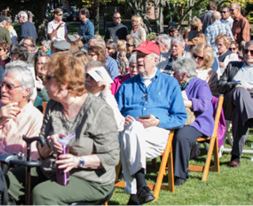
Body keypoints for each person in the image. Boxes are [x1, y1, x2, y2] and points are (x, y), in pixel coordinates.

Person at [7, 53, 119, 205]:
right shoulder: (53, 105)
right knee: (9, 180)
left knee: (43, 194)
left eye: (47, 78)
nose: (43, 83)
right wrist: (50, 144)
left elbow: (111, 157)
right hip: (52, 170)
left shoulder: (98, 110)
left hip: (90, 178)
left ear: (64, 83)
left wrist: (77, 161)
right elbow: (41, 150)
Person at [115, 41, 187, 205]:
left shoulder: (170, 83)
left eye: (143, 56)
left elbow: (181, 117)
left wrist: (159, 121)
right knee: (132, 130)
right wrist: (121, 119)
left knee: (129, 139)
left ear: (155, 60)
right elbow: (112, 114)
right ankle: (141, 188)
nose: (139, 60)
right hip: (127, 133)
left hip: (155, 135)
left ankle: (135, 193)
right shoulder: (126, 85)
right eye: (138, 56)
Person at [171, 57, 213, 186]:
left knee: (181, 136)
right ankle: (169, 166)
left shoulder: (201, 85)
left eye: (175, 73)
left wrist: (186, 103)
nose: (173, 75)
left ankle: (179, 175)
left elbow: (204, 104)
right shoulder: (177, 84)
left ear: (184, 75)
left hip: (199, 122)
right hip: (180, 119)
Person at [217, 41, 253, 168]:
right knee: (239, 90)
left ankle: (235, 157)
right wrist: (236, 85)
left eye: (252, 52)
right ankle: (250, 118)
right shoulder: (233, 66)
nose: (248, 54)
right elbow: (220, 86)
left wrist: (249, 90)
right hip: (229, 103)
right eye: (245, 51)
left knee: (239, 113)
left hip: (246, 105)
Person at [85, 61, 124, 131]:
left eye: (92, 77)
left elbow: (118, 125)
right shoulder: (78, 97)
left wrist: (106, 91)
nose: (87, 79)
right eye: (86, 75)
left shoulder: (107, 97)